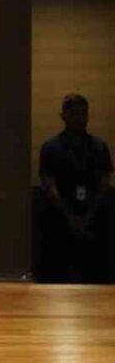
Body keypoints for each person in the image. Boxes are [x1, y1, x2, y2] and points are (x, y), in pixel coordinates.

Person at [38, 94, 112, 282]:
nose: (80, 118)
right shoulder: (50, 148)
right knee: (57, 275)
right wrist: (70, 217)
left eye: (83, 113)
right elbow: (49, 186)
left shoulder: (99, 147)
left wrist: (88, 216)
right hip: (59, 220)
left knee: (95, 274)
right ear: (63, 116)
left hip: (93, 219)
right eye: (74, 113)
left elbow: (104, 184)